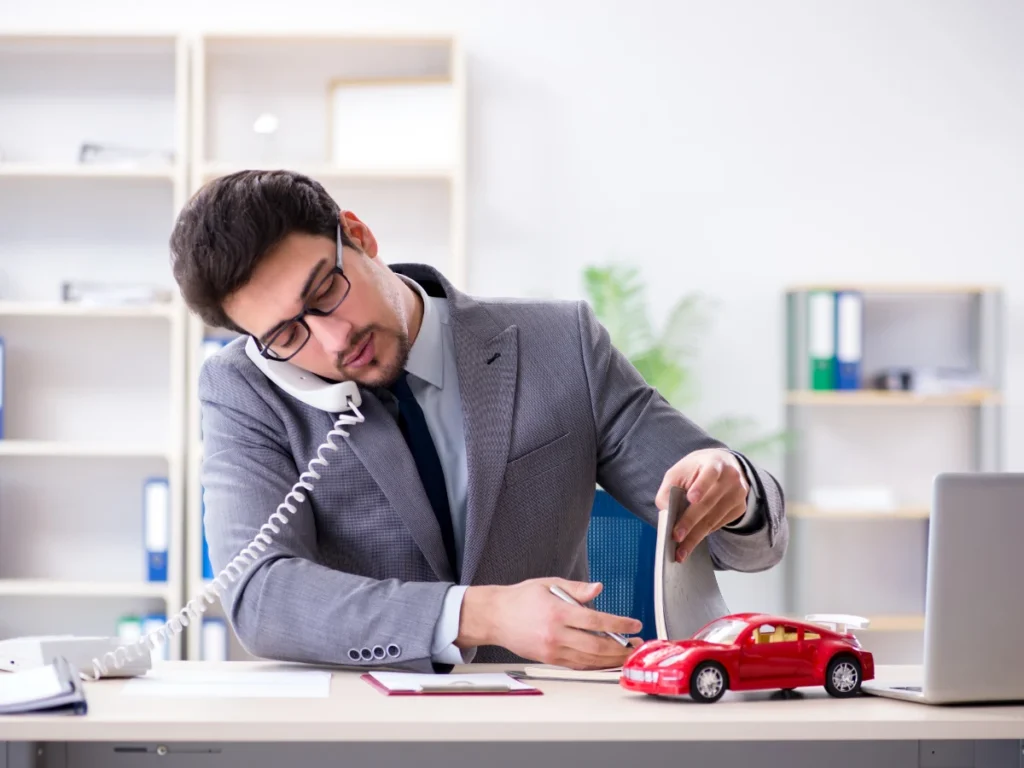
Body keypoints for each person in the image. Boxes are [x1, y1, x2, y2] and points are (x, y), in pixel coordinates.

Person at [170, 169, 788, 674]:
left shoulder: (559, 345)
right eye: (285, 333)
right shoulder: (245, 390)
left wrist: (732, 490)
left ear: (358, 235)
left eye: (326, 291)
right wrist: (479, 614)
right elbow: (262, 597)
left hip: (546, 733)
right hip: (363, 738)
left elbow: (744, 542)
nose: (332, 340)